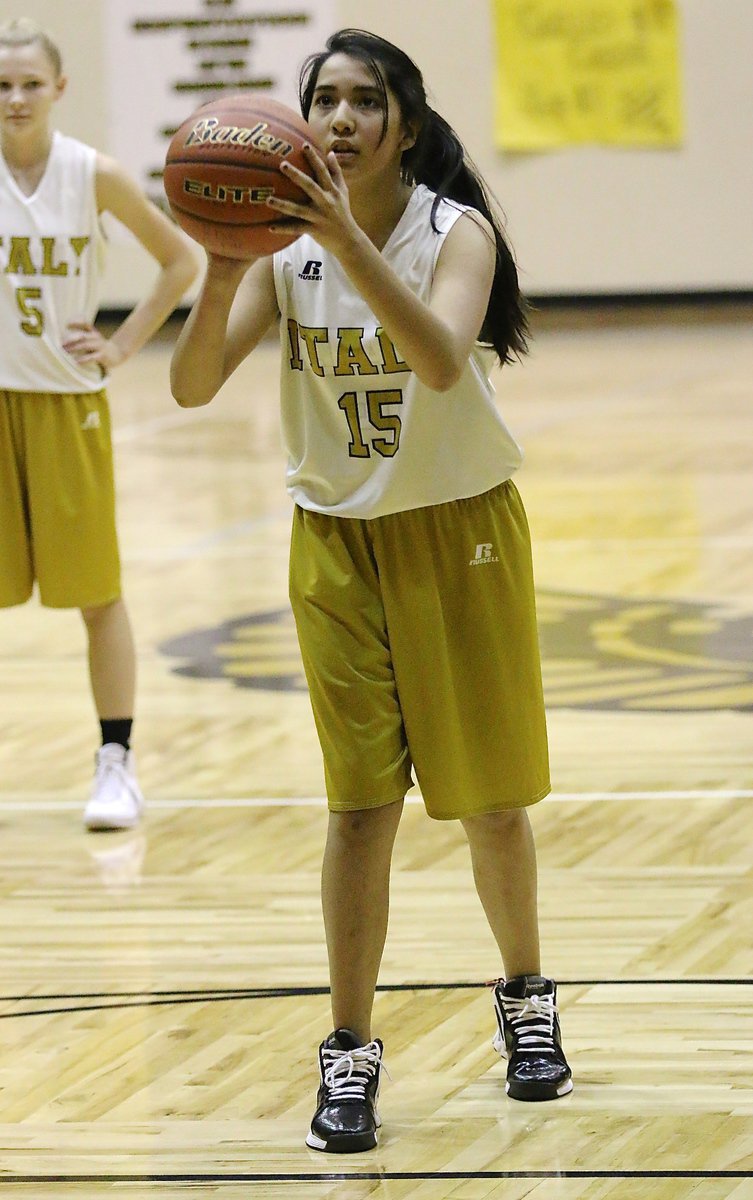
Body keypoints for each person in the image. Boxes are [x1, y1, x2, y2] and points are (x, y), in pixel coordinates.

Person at [171, 27, 571, 1153]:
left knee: (492, 802)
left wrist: (345, 241)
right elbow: (195, 387)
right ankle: (348, 1054)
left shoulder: (457, 233)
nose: (340, 120)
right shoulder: (284, 256)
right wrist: (219, 267)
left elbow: (443, 358)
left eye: (364, 101)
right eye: (325, 100)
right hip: (335, 542)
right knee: (358, 810)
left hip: (459, 534)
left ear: (405, 122)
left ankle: (526, 1001)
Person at [0, 19, 197, 830]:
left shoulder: (93, 174)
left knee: (96, 596)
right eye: (1, 86)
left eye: (28, 84)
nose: (14, 99)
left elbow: (184, 260)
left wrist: (119, 346)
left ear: (59, 89)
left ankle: (115, 762)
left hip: (64, 403)